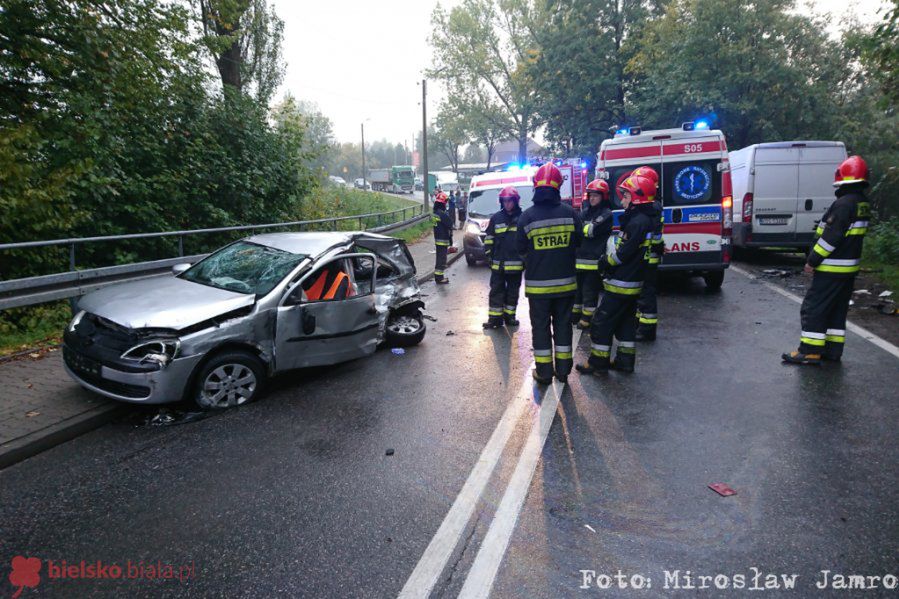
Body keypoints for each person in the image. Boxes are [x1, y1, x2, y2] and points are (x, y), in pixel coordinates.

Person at [782, 156, 871, 365]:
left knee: (814, 308)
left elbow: (831, 238)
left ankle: (810, 350)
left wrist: (812, 260)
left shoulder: (843, 204)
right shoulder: (861, 203)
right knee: (836, 311)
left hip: (832, 268)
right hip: (848, 269)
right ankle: (832, 350)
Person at [576, 174, 655, 375]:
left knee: (601, 322)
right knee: (626, 323)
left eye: (627, 195)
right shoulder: (643, 220)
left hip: (623, 282)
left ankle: (597, 364)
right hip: (632, 281)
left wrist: (605, 262)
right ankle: (624, 361)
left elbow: (623, 253)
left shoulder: (637, 222)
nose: (623, 199)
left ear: (637, 197)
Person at [517, 163, 583, 384]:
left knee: (541, 328)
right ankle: (563, 372)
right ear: (558, 186)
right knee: (563, 326)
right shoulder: (570, 214)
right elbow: (579, 243)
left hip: (538, 288)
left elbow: (520, 250)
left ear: (536, 186)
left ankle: (544, 373)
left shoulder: (527, 217)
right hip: (566, 286)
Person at [573, 179, 614, 328]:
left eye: (596, 195)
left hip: (594, 261)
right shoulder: (585, 212)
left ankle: (587, 318)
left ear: (603, 197)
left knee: (589, 290)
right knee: (577, 290)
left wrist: (583, 227)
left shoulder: (607, 214)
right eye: (590, 195)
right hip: (579, 259)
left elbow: (590, 231)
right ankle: (575, 314)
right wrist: (584, 228)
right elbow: (578, 230)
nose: (592, 198)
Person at [483, 186, 524, 329]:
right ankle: (494, 319)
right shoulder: (496, 218)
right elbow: (489, 239)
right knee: (496, 291)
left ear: (515, 201)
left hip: (515, 264)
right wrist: (489, 255)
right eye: (505, 201)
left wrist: (525, 259)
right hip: (498, 264)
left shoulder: (523, 218)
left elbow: (526, 241)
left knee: (513, 292)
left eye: (510, 201)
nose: (507, 204)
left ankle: (510, 316)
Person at [631, 166, 664, 341]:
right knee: (642, 292)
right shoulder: (655, 205)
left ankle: (647, 330)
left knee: (646, 293)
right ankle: (639, 325)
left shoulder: (651, 208)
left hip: (647, 257)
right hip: (650, 255)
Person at [432, 191, 453, 284]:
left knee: (439, 258)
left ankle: (439, 277)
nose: (446, 204)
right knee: (441, 259)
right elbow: (450, 223)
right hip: (442, 240)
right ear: (443, 203)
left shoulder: (436, 213)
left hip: (438, 239)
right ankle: (439, 278)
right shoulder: (441, 214)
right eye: (446, 202)